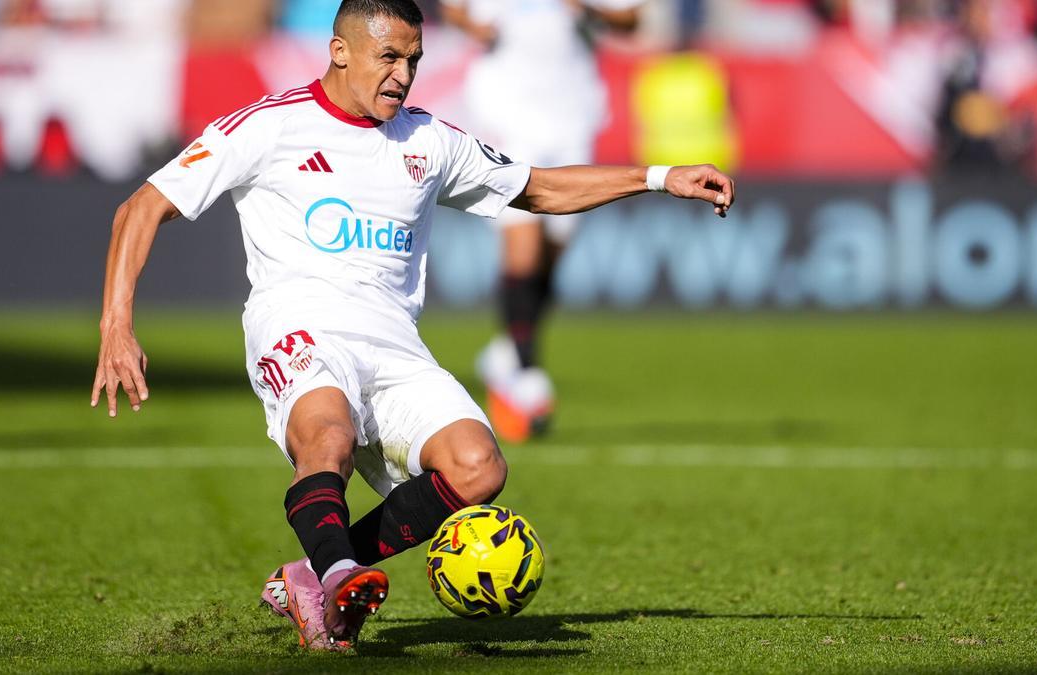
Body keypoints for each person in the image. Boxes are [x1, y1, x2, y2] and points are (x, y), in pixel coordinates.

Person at [91, 0, 734, 652]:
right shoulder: (269, 127)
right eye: (389, 57)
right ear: (340, 51)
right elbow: (141, 208)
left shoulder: (428, 140)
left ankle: (316, 571)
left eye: (415, 60)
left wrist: (660, 177)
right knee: (329, 438)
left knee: (478, 466)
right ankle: (341, 571)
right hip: (300, 327)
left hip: (394, 342)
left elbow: (537, 189)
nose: (403, 75)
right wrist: (117, 325)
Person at [440, 0, 642, 443]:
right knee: (523, 246)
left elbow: (631, 19)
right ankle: (526, 369)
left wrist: (587, 10)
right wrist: (473, 25)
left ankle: (505, 351)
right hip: (506, 112)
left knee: (554, 249)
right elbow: (452, 11)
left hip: (573, 115)